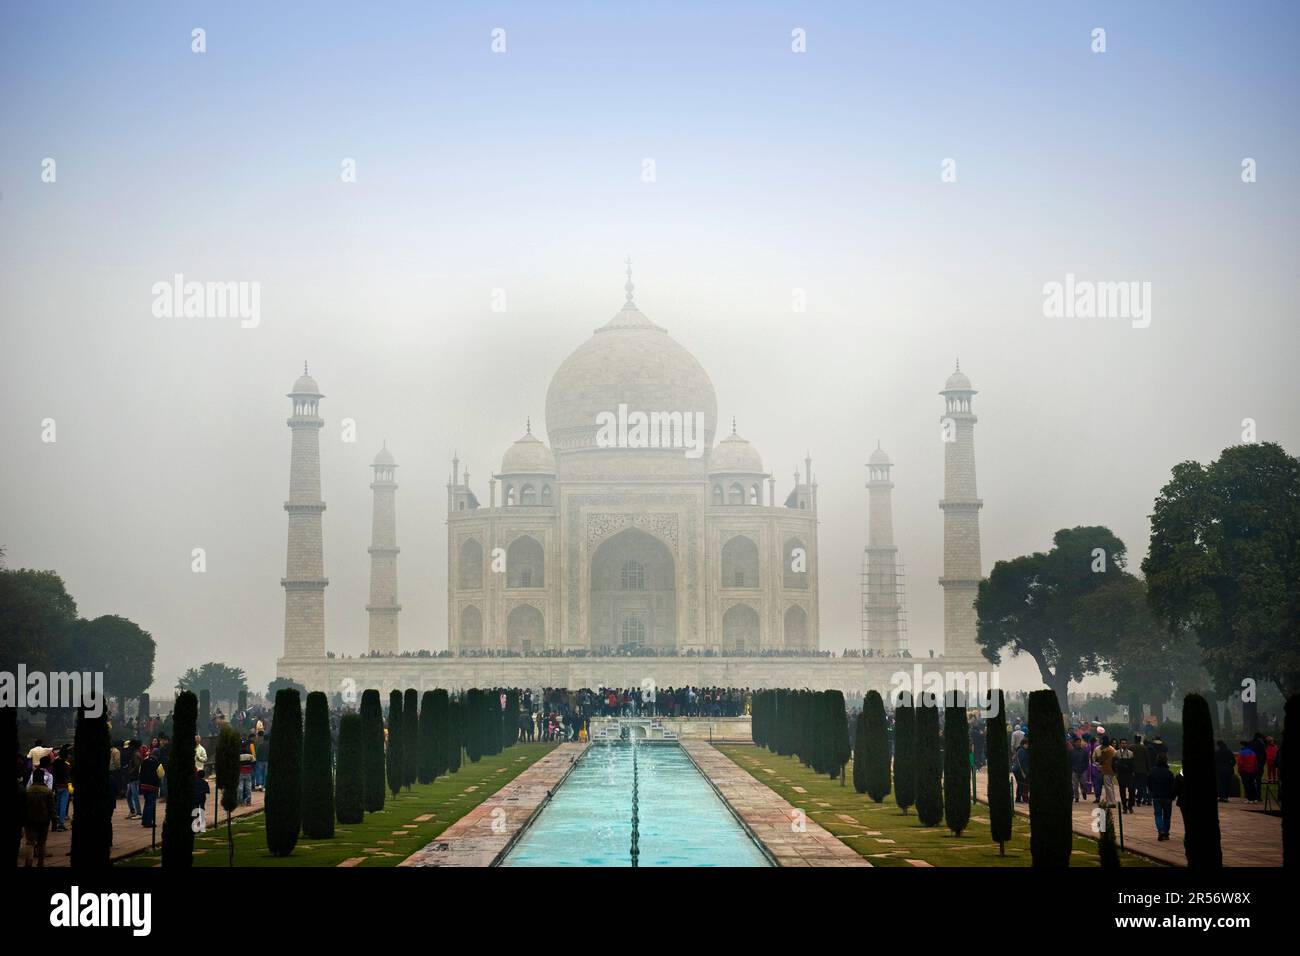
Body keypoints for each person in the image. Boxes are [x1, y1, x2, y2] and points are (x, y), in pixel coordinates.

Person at [24, 769, 55, 867]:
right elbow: (52, 808)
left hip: (29, 820)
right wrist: (54, 820)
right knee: (42, 842)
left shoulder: (27, 791)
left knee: (30, 842)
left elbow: (23, 807)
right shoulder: (48, 791)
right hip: (44, 820)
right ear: (42, 778)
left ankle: (28, 862)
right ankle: (40, 862)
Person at [1148, 753, 1176, 841]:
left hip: (1157, 796)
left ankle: (1160, 830)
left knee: (1158, 814)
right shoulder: (1169, 773)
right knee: (1167, 816)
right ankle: (1166, 832)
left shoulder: (1152, 771)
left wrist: (1152, 791)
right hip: (1167, 797)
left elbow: (1149, 784)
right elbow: (1173, 786)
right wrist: (1173, 795)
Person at [139, 745, 163, 829]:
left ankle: (144, 820)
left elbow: (140, 771)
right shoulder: (157, 762)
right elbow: (161, 774)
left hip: (144, 785)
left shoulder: (144, 761)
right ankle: (148, 822)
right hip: (153, 786)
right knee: (151, 804)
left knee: (147, 803)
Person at [1114, 738, 1135, 812]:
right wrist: (1116, 773)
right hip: (1121, 774)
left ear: (1127, 744)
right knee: (1122, 791)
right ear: (1120, 744)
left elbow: (1133, 765)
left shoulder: (1130, 753)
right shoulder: (1117, 753)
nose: (1124, 744)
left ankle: (1130, 805)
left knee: (1132, 790)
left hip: (1129, 774)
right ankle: (1124, 806)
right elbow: (1114, 764)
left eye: (1125, 743)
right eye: (1122, 743)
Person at [1131, 734, 1151, 806]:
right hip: (1143, 770)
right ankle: (1139, 801)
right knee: (1141, 786)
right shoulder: (1144, 748)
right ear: (1140, 740)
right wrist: (1148, 770)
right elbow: (1147, 760)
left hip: (1133, 770)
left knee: (1132, 786)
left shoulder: (1131, 747)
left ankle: (1132, 800)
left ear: (1135, 739)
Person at [1069, 737, 1089, 802]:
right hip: (1074, 770)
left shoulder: (1084, 751)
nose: (1079, 743)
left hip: (1083, 770)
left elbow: (1087, 761)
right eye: (1077, 742)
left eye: (1079, 742)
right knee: (1075, 785)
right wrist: (1072, 768)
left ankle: (1084, 792)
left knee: (1083, 784)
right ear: (1074, 743)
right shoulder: (1071, 751)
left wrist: (1085, 768)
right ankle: (1077, 797)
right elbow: (1070, 761)